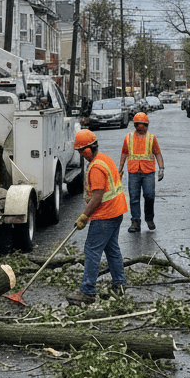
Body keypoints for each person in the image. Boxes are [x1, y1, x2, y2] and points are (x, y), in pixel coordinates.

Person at [67, 129, 127, 305]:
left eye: (80, 151)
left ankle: (87, 291)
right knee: (112, 249)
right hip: (116, 212)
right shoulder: (104, 159)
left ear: (88, 149)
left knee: (92, 251)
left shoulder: (96, 167)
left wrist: (84, 216)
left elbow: (98, 196)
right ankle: (119, 284)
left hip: (106, 214)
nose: (80, 155)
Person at [121, 112, 164, 232]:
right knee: (134, 198)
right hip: (133, 171)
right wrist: (120, 170)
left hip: (148, 172)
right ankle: (135, 221)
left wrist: (161, 168)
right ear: (135, 125)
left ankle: (149, 218)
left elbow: (157, 153)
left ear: (146, 125)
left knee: (149, 196)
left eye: (143, 126)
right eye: (138, 126)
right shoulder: (128, 138)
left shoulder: (151, 138)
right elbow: (124, 153)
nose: (141, 128)